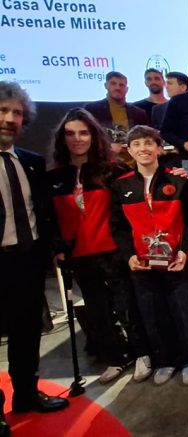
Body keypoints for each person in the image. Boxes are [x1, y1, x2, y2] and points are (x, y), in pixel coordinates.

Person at [48, 108, 151, 384]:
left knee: (126, 305)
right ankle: (115, 358)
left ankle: (142, 353)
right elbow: (50, 219)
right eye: (70, 134)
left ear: (94, 136)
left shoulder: (113, 170)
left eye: (83, 133)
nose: (77, 139)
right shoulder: (55, 177)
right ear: (62, 139)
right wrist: (58, 248)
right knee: (98, 310)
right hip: (79, 255)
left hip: (113, 251)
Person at [0, 82, 69, 435]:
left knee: (27, 331)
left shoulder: (31, 163)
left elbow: (42, 212)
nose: (10, 119)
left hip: (26, 261)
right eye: (3, 110)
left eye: (17, 113)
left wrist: (53, 249)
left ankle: (26, 394)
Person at [110, 125, 188, 385]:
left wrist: (184, 250)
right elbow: (118, 227)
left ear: (159, 148)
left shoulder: (179, 181)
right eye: (137, 144)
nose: (143, 149)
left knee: (184, 311)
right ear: (129, 151)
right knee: (153, 314)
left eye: (149, 143)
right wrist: (129, 255)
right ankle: (164, 361)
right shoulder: (121, 186)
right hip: (143, 264)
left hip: (177, 261)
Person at [84, 71, 149, 160]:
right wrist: (108, 146)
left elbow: (146, 138)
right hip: (104, 161)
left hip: (136, 162)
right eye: (113, 84)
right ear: (106, 85)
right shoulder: (91, 110)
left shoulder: (139, 113)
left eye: (121, 85)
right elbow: (86, 137)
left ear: (127, 89)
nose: (118, 88)